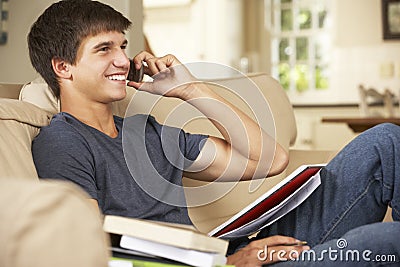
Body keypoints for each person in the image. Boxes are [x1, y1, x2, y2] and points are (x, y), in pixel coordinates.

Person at [28, 1, 399, 266]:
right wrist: (231, 263)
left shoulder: (146, 133)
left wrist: (190, 90)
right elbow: (94, 250)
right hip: (226, 264)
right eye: (104, 49)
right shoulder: (63, 142)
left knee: (385, 142)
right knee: (384, 241)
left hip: (235, 249)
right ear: (63, 67)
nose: (123, 61)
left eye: (122, 46)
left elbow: (271, 160)